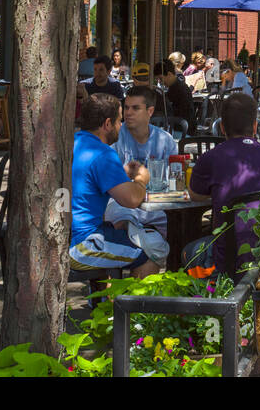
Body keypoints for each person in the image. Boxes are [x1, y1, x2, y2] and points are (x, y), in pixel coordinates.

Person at [184, 93, 260, 272]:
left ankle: (202, 296)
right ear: (255, 127)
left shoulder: (210, 159)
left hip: (225, 257)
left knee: (187, 251)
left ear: (222, 127)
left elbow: (195, 195)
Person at [68, 94, 157, 277]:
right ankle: (130, 306)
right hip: (81, 244)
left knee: (118, 230)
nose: (120, 126)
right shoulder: (102, 153)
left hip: (62, 237)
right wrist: (141, 179)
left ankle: (104, 301)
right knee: (150, 254)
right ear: (107, 124)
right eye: (118, 121)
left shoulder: (72, 143)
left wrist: (120, 173)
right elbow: (131, 200)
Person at [105, 87, 172, 264]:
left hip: (157, 206)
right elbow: (112, 180)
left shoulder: (166, 140)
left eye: (135, 108)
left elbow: (172, 178)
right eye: (126, 107)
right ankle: (145, 245)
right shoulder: (115, 136)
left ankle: (144, 243)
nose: (128, 113)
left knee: (176, 223)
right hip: (124, 204)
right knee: (119, 215)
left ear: (150, 111)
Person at [154, 59, 195, 132]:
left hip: (182, 130)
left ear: (169, 74)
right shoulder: (176, 86)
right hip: (182, 127)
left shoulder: (178, 89)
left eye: (160, 78)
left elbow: (173, 112)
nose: (160, 82)